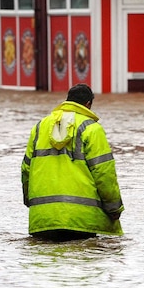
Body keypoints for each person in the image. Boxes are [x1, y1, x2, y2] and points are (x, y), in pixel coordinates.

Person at [21, 83, 124, 241]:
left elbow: (26, 169)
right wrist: (114, 208)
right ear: (88, 104)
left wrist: (32, 204)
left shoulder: (40, 127)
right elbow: (104, 173)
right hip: (82, 220)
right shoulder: (92, 129)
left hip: (43, 218)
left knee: (46, 262)